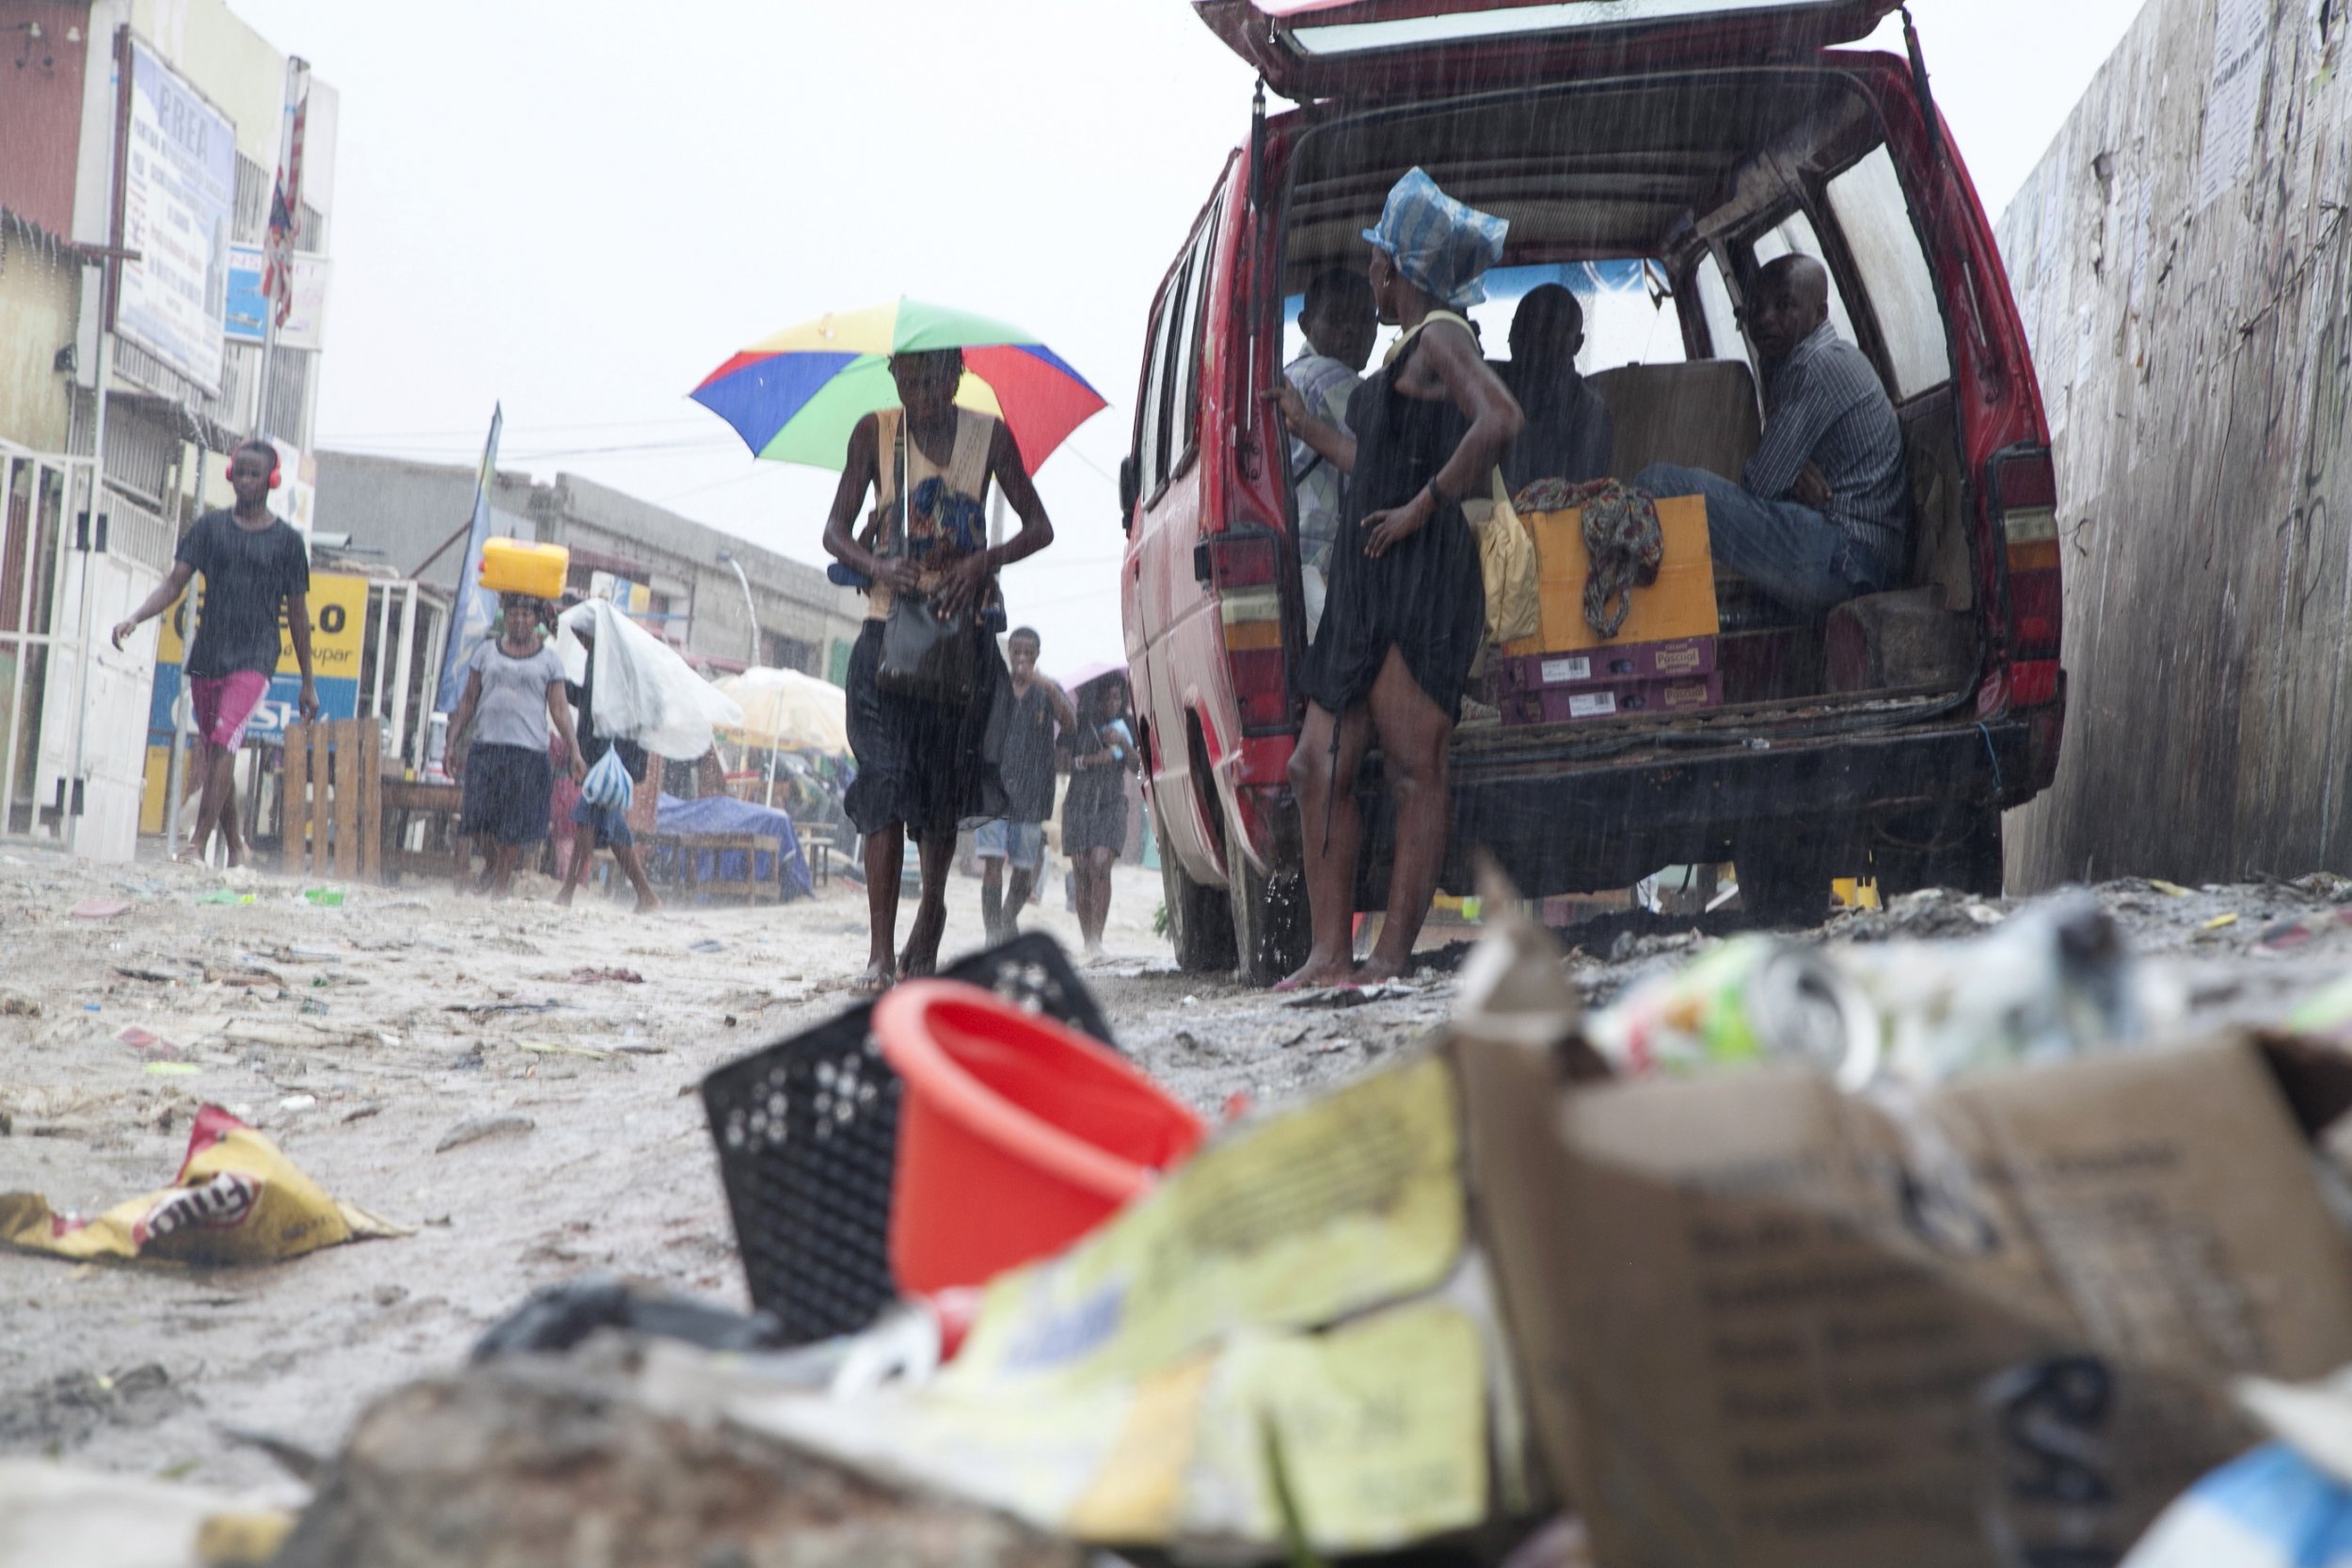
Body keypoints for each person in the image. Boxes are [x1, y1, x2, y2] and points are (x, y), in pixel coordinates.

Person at [1275, 167, 1522, 989]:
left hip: (1416, 575)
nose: (1371, 274)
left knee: (1416, 767)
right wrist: (1313, 429)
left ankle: (1386, 958)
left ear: (1400, 270)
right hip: (1367, 578)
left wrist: (1423, 505)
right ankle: (1329, 954)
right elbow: (1377, 460)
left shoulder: (1443, 335)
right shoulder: (1408, 348)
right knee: (1317, 767)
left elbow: (1501, 419)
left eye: (1379, 260)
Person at [823, 347, 1057, 992]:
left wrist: (983, 562)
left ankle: (930, 910)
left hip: (962, 643)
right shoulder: (876, 432)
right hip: (886, 638)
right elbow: (833, 532)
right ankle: (878, 951)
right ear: (896, 377)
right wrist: (877, 566)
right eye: (912, 377)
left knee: (941, 793)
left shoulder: (990, 437)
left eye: (937, 377)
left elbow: (1040, 527)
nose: (925, 390)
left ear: (959, 376)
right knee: (884, 784)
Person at [1634, 253, 1908, 614]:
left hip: (1844, 557)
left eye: (1784, 305)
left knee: (1658, 485)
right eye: (1756, 307)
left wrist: (1787, 478)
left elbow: (1759, 484)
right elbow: (1773, 480)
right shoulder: (1813, 359)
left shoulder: (1815, 366)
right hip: (1862, 561)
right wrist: (1793, 478)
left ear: (1820, 314)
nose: (1764, 319)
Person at [111, 438, 316, 867]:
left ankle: (197, 846)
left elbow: (297, 615)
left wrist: (307, 683)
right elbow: (174, 584)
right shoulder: (208, 529)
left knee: (224, 739)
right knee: (215, 749)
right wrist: (135, 618)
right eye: (239, 471)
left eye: (254, 473)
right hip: (209, 655)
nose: (244, 479)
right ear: (230, 474)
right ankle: (238, 846)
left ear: (272, 480)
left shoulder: (287, 544)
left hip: (256, 656)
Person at [445, 594, 583, 898]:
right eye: (513, 615)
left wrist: (574, 751)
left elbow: (559, 711)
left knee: (512, 827)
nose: (519, 620)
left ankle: (500, 889)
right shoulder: (485, 653)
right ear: (504, 618)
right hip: (486, 747)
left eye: (525, 615)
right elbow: (468, 700)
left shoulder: (549, 661)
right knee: (475, 820)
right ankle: (493, 864)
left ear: (536, 621)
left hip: (528, 753)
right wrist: (451, 742)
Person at [1279, 268, 1379, 632]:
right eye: (1338, 319)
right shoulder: (1330, 379)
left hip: (1297, 568)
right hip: (1327, 569)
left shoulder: (1291, 375)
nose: (1353, 330)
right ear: (1306, 324)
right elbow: (1387, 462)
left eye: (1364, 319)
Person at [555, 613, 662, 914]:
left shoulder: (613, 662)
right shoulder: (600, 660)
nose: (581, 642)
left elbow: (608, 709)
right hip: (607, 756)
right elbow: (592, 702)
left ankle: (568, 891)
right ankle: (645, 895)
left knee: (589, 817)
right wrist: (561, 686)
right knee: (612, 828)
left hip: (611, 757)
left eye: (583, 636)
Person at [977, 626, 1076, 945]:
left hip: (1033, 793)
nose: (1021, 659)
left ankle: (1007, 920)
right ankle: (993, 932)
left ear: (1036, 656)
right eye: (1016, 652)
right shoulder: (995, 686)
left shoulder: (1047, 690)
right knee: (992, 863)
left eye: (1027, 653)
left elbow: (1071, 723)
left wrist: (1045, 684)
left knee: (1023, 871)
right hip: (994, 790)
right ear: (1009, 654)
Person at [1498, 284, 1613, 493]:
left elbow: (1572, 500)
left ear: (1577, 344)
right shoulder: (1484, 384)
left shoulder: (1588, 413)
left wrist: (1497, 492)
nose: (1529, 340)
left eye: (1546, 332)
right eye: (1522, 328)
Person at [1062, 677, 1136, 959]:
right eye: (1107, 698)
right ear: (1094, 698)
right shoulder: (1076, 723)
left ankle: (1098, 939)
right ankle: (1088, 941)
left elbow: (1139, 768)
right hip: (1079, 805)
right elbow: (1058, 762)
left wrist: (1123, 745)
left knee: (1100, 865)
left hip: (1111, 804)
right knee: (1082, 871)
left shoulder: (1125, 725)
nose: (1113, 704)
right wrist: (1090, 760)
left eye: (1118, 698)